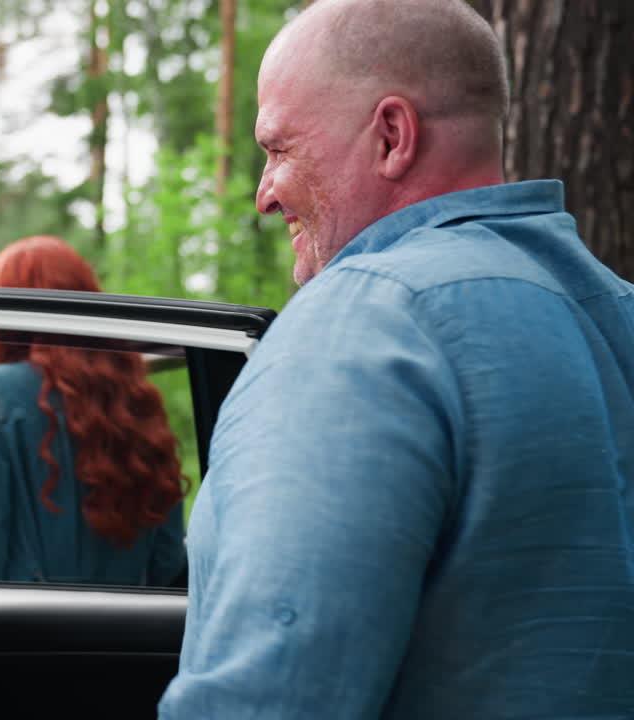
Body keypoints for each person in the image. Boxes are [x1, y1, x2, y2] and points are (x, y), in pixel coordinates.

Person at [159, 0, 634, 717]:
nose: (263, 194)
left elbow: (272, 697)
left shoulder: (358, 329)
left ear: (391, 135)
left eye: (279, 148)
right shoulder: (615, 309)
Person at [0, 235, 187, 586]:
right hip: (130, 633)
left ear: (2, 313)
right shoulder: (138, 402)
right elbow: (168, 561)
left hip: (25, 632)